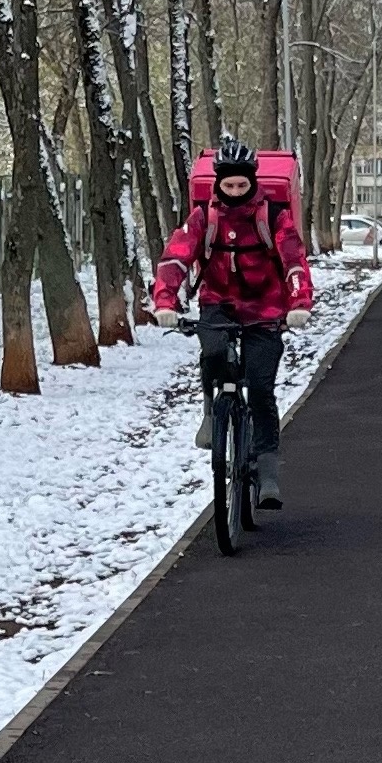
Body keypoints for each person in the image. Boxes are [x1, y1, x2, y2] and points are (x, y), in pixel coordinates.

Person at [151, 135, 314, 510]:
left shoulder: (274, 217)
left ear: (253, 182)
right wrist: (165, 301)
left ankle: (268, 470)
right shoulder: (203, 219)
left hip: (266, 308)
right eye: (229, 185)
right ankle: (213, 411)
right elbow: (175, 258)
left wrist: (299, 303)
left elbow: (293, 262)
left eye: (243, 184)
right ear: (218, 184)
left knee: (260, 389)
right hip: (218, 303)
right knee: (212, 353)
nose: (236, 191)